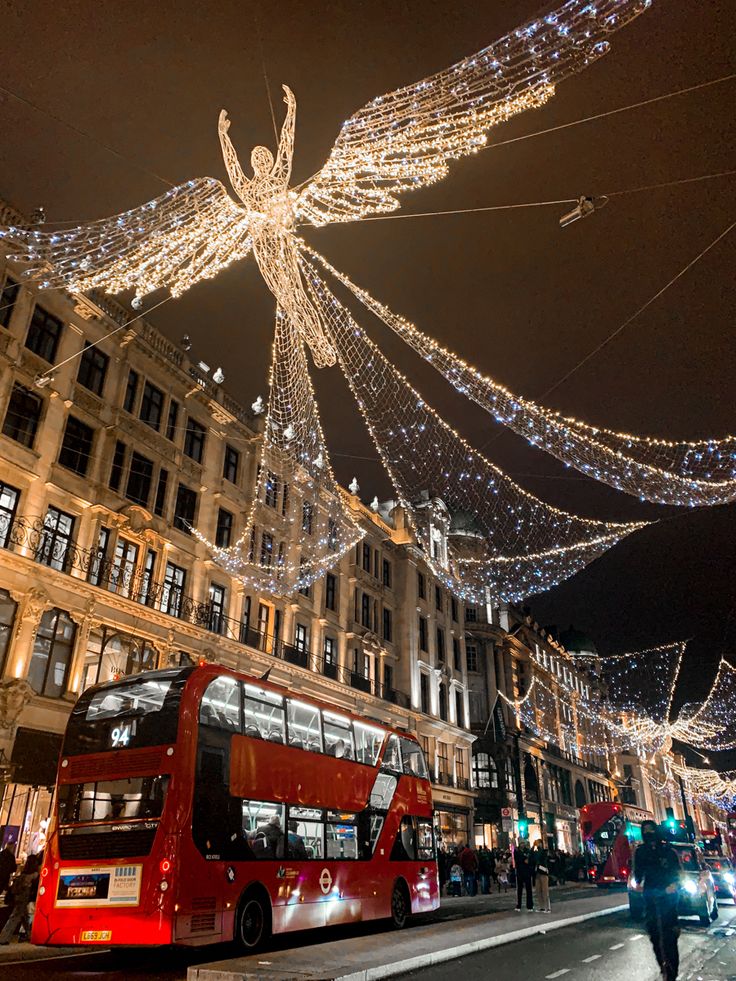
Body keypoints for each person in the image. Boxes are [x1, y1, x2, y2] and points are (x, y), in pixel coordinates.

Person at [633, 819, 682, 981]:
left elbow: (678, 873)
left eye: (650, 830)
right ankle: (663, 965)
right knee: (654, 935)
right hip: (651, 897)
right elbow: (638, 873)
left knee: (670, 936)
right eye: (645, 830)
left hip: (668, 897)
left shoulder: (668, 851)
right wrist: (637, 884)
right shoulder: (640, 852)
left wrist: (674, 885)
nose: (648, 834)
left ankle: (672, 971)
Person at [0, 853, 41, 945]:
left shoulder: (23, 873)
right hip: (24, 898)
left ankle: (30, 935)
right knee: (15, 917)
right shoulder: (34, 874)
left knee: (24, 917)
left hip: (17, 897)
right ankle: (3, 938)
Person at [514, 840, 534, 911]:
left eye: (523, 843)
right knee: (519, 890)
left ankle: (530, 905)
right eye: (521, 843)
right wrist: (523, 860)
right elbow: (517, 860)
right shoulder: (517, 851)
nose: (522, 845)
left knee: (529, 889)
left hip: (527, 872)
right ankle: (518, 905)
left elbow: (530, 859)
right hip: (520, 872)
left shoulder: (527, 851)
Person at [533, 839, 552, 912]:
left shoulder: (544, 852)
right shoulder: (535, 852)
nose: (537, 845)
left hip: (543, 872)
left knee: (545, 890)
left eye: (538, 843)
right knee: (538, 891)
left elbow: (542, 859)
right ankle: (542, 907)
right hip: (537, 873)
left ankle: (548, 907)